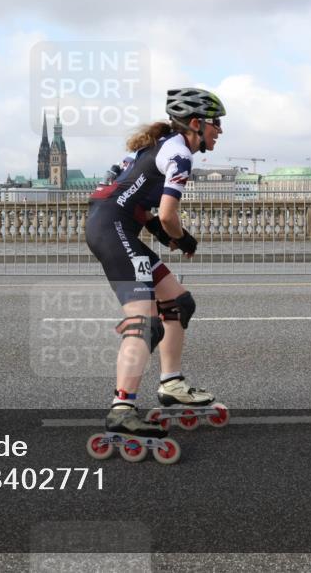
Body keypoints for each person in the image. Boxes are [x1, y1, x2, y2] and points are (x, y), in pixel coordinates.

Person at [86, 87, 226, 440]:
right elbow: (167, 214)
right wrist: (179, 237)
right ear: (196, 123)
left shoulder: (155, 146)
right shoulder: (179, 154)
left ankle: (172, 383)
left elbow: (124, 194)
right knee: (146, 323)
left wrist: (163, 232)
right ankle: (122, 410)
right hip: (114, 228)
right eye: (215, 124)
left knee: (178, 303)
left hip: (113, 224)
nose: (219, 131)